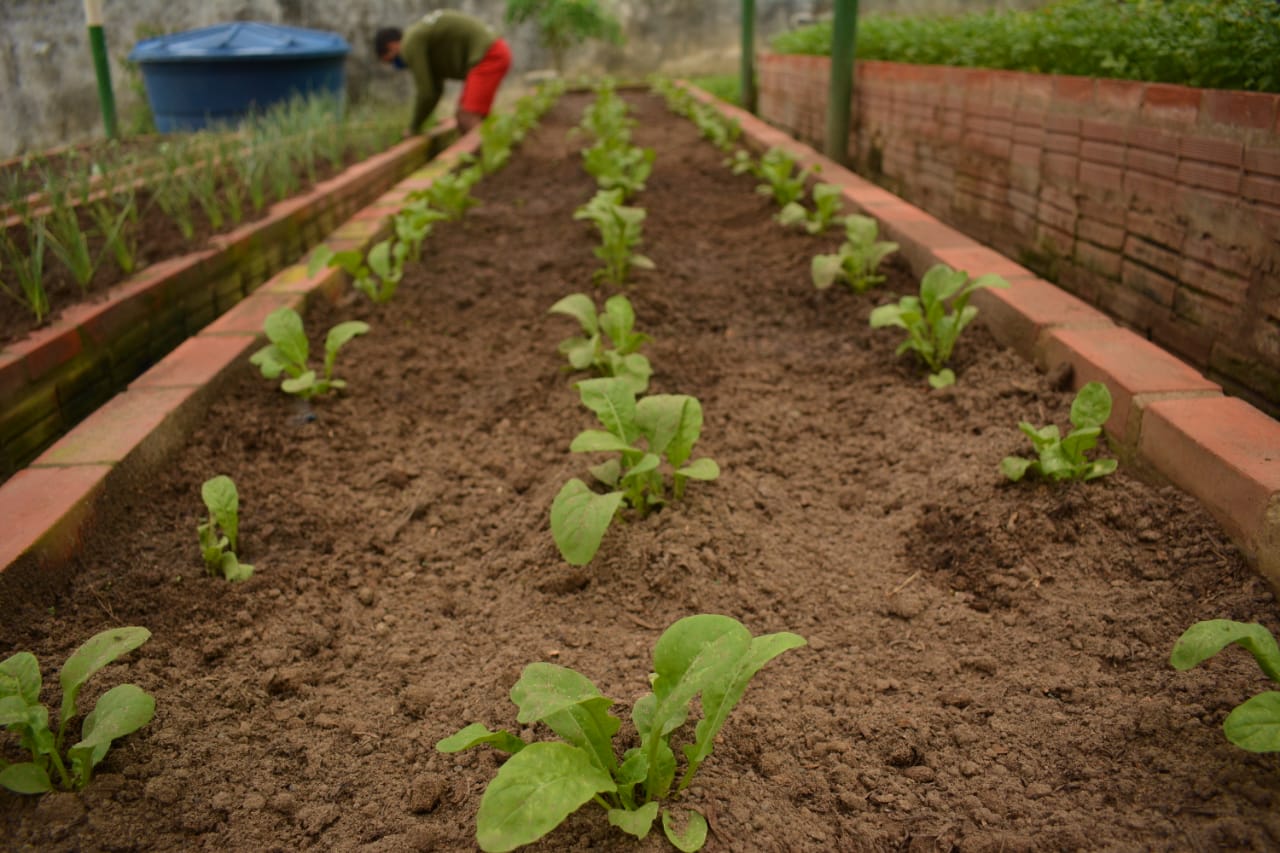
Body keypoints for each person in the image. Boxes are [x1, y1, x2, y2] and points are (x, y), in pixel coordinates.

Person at [375, 11, 512, 136]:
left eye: (392, 60)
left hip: (488, 56)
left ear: (392, 46)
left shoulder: (410, 45)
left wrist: (413, 128)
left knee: (468, 117)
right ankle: (491, 151)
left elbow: (427, 93)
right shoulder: (419, 38)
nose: (396, 65)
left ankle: (494, 158)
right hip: (490, 52)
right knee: (463, 117)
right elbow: (435, 90)